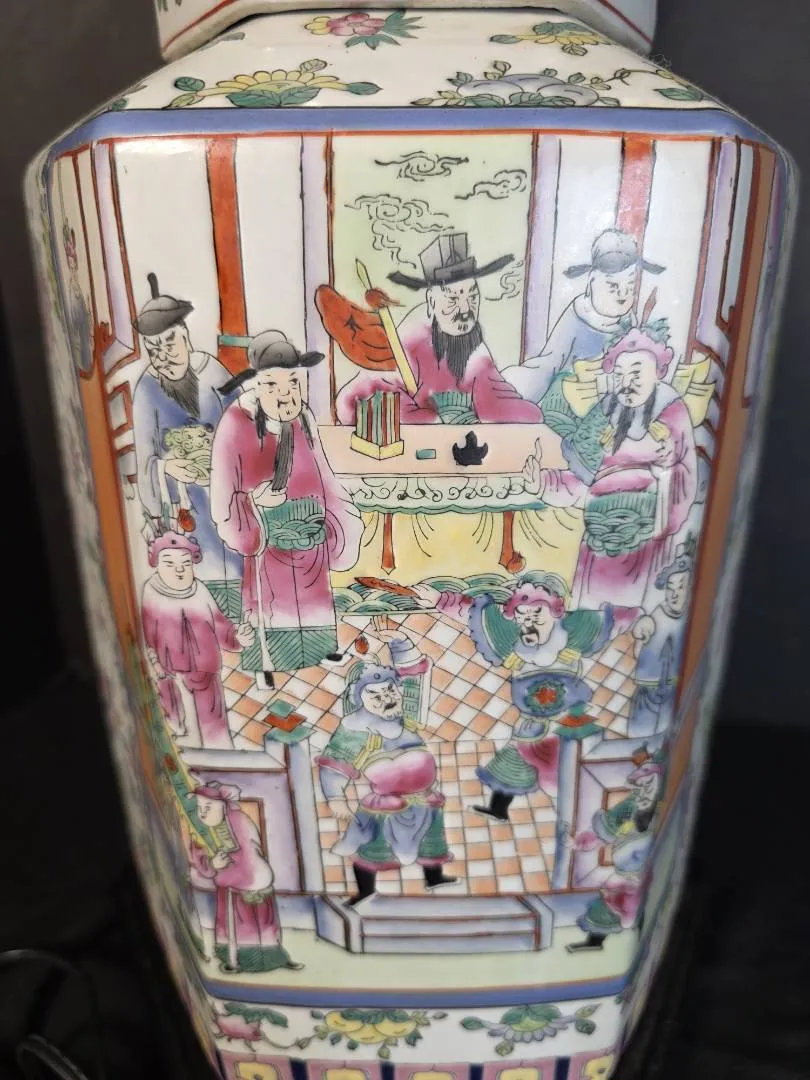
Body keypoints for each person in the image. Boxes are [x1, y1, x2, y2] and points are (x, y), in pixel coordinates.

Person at [412, 575, 640, 823]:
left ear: (556, 612)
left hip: (566, 724)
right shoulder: (513, 642)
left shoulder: (574, 634)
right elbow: (469, 612)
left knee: (564, 772)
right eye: (522, 615)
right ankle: (499, 808)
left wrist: (641, 619)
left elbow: (616, 618)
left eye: (537, 614)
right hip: (530, 723)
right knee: (512, 763)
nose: (529, 622)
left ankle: (573, 814)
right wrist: (437, 599)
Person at [209, 330, 363, 684]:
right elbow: (225, 488)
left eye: (293, 382)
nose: (285, 394)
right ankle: (266, 662)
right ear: (256, 385)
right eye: (273, 385)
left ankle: (321, 649)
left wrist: (336, 515)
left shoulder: (302, 417)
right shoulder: (236, 423)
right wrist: (255, 502)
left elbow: (322, 471)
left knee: (315, 593)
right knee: (268, 599)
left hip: (308, 529)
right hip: (266, 531)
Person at [522, 329, 697, 608]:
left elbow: (685, 479)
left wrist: (665, 469)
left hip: (645, 536)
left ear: (659, 371)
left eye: (636, 373)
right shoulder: (603, 414)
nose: (627, 384)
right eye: (619, 375)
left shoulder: (671, 413)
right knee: (592, 613)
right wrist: (543, 484)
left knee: (634, 615)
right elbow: (584, 480)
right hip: (601, 538)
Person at [320, 233, 542, 425]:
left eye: (473, 296)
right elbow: (351, 403)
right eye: (453, 299)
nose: (466, 309)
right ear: (432, 302)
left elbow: (497, 400)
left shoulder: (474, 347)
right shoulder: (411, 340)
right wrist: (426, 417)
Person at [316, 631, 456, 904]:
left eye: (390, 690)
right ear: (359, 699)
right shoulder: (355, 728)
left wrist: (400, 641)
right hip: (383, 805)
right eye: (375, 695)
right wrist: (335, 797)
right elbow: (335, 763)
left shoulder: (404, 715)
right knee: (372, 848)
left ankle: (434, 877)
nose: (386, 698)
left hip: (423, 799)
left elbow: (413, 677)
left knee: (431, 842)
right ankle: (365, 890)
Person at [132, 273, 240, 587]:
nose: (163, 357)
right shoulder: (146, 389)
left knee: (234, 563)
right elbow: (145, 458)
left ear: (186, 338)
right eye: (154, 350)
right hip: (180, 500)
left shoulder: (213, 372)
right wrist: (166, 467)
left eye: (170, 344)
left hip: (223, 487)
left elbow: (242, 426)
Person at [502, 229, 665, 404]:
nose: (622, 295)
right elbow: (548, 365)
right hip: (573, 398)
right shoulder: (577, 318)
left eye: (630, 286)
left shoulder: (629, 320)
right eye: (613, 286)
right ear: (592, 281)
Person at [141, 532, 254, 749]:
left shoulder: (200, 590)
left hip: (205, 668)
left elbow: (220, 624)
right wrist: (155, 664)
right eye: (170, 563)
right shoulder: (151, 593)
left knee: (213, 720)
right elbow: (147, 636)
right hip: (170, 672)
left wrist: (237, 637)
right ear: (157, 564)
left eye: (185, 563)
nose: (179, 570)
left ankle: (221, 752)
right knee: (176, 720)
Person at [188, 780, 303, 973]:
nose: (203, 813)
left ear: (224, 806)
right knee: (239, 927)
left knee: (265, 923)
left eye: (208, 807)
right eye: (200, 807)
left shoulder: (238, 821)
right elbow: (200, 861)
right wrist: (213, 864)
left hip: (254, 879)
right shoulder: (201, 832)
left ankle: (274, 957)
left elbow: (249, 851)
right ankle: (237, 960)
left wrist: (242, 873)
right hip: (233, 887)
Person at [566, 749, 665, 952]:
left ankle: (635, 941)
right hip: (632, 870)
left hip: (638, 870)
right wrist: (581, 843)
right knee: (612, 906)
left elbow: (606, 830)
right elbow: (606, 830)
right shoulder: (634, 804)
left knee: (627, 906)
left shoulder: (640, 804)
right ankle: (599, 942)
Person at [628, 539, 694, 740]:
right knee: (640, 732)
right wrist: (642, 630)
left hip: (673, 687)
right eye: (670, 588)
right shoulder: (656, 615)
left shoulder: (687, 617)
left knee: (667, 734)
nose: (674, 594)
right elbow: (643, 628)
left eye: (681, 587)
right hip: (649, 687)